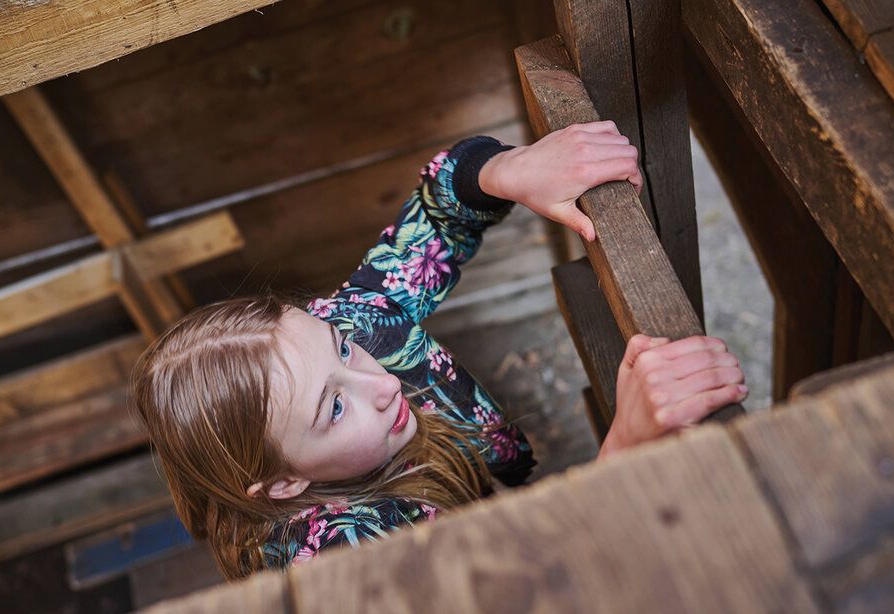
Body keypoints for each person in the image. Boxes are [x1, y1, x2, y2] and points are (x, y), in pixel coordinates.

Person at [130, 122, 748, 579]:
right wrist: (621, 460)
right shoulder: (340, 566)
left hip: (491, 501)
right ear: (287, 483)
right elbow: (512, 590)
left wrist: (509, 169)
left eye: (342, 349)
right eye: (334, 410)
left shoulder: (354, 325)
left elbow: (438, 210)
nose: (382, 384)